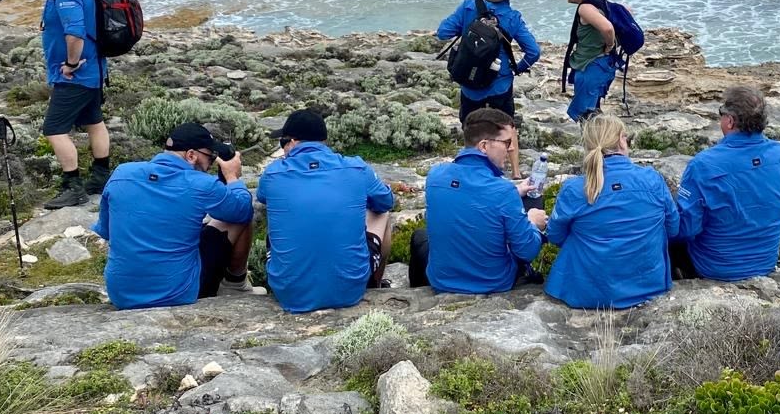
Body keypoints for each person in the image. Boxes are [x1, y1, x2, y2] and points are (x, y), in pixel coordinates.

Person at [92, 121, 255, 309]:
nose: (210, 164)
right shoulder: (201, 184)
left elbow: (106, 231)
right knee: (237, 217)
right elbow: (242, 210)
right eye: (210, 158)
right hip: (177, 293)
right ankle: (236, 285)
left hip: (122, 294)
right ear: (191, 155)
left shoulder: (122, 172)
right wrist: (233, 177)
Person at [256, 108, 398, 313]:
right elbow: (386, 201)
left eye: (283, 143)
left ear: (293, 142)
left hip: (290, 294)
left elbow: (262, 197)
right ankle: (373, 285)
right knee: (381, 214)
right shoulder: (356, 168)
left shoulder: (272, 174)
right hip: (349, 291)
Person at [545, 115, 677, 309]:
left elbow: (555, 235)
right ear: (621, 141)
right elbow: (673, 229)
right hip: (647, 287)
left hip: (587, 291)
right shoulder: (653, 179)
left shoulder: (575, 188)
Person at [670, 85, 780, 280]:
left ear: (729, 121)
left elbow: (686, 229)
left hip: (714, 267)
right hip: (765, 261)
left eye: (721, 113)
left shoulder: (704, 165)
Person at [414, 107, 547, 294]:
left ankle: (418, 288)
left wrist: (514, 192)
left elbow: (469, 197)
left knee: (420, 236)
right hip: (493, 282)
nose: (512, 148)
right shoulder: (502, 191)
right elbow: (527, 251)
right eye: (507, 142)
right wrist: (533, 224)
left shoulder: (435, 175)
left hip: (441, 281)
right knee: (534, 203)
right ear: (484, 146)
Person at [26, 0, 111, 209]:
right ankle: (100, 176)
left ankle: (72, 186)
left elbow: (74, 33)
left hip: (76, 76)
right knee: (94, 122)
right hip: (94, 72)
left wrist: (71, 64)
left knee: (54, 129)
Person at [436, 0, 540, 178]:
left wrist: (468, 32)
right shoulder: (512, 18)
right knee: (507, 125)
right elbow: (534, 51)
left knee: (470, 125)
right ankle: (516, 172)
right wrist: (517, 68)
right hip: (500, 82)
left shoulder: (468, 7)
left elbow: (442, 32)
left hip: (470, 81)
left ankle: (470, 167)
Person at [558, 0, 618, 122]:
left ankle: (593, 144)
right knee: (594, 112)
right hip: (604, 65)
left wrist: (610, 44)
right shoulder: (600, 1)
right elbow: (626, 11)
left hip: (590, 66)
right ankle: (601, 142)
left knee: (586, 117)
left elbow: (607, 28)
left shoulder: (585, 8)